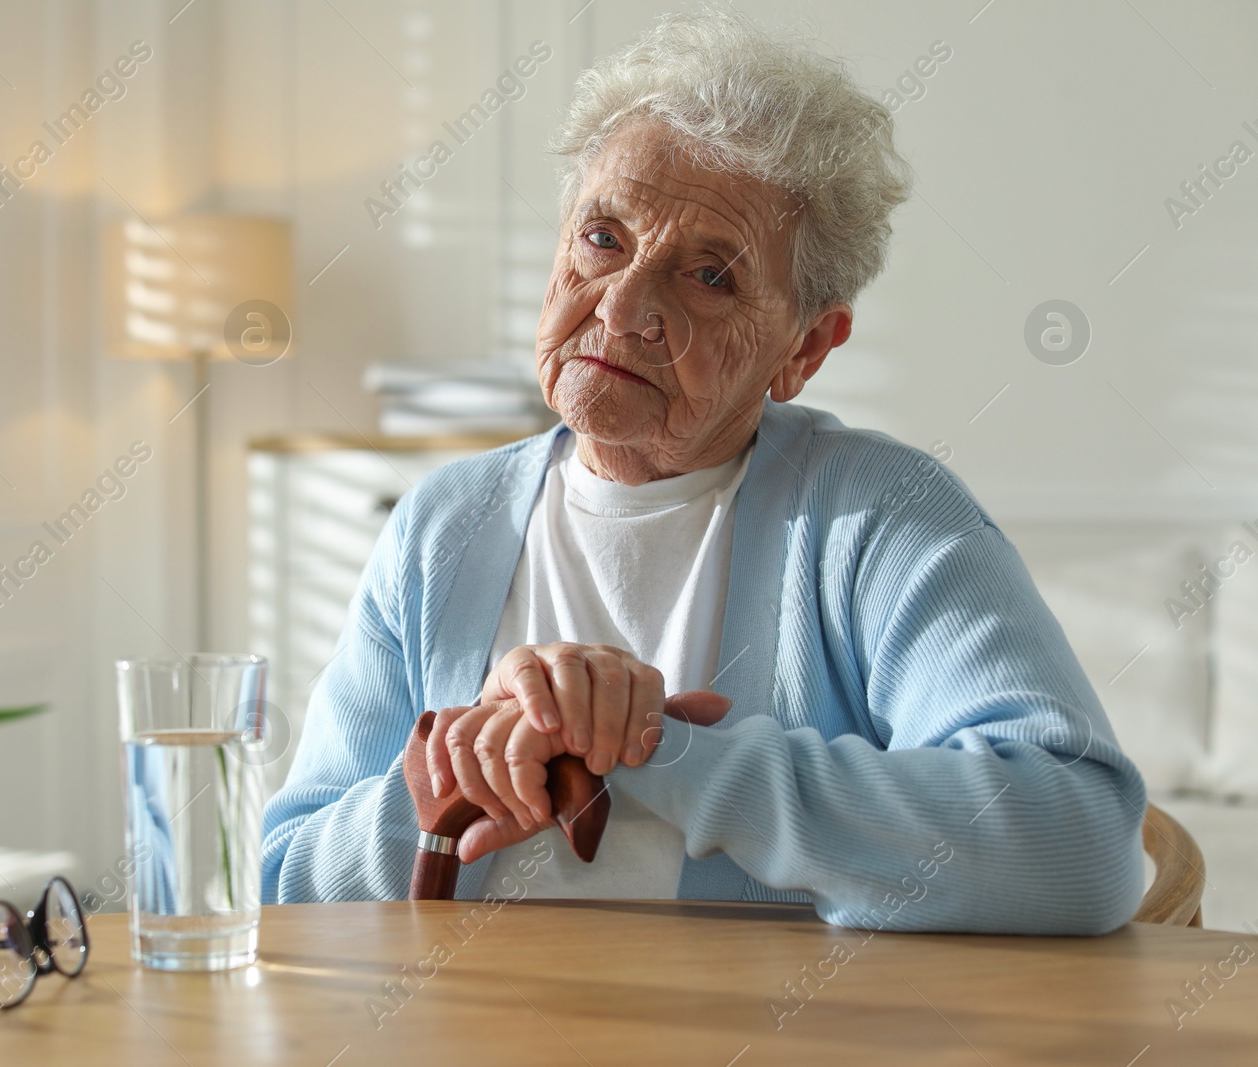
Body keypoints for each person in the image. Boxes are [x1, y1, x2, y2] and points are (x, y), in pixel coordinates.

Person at [262, 11, 1145, 934]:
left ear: (804, 346)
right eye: (603, 238)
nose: (626, 304)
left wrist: (662, 751)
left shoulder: (881, 517)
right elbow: (278, 883)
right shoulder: (444, 523)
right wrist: (466, 774)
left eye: (710, 276)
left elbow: (1075, 842)